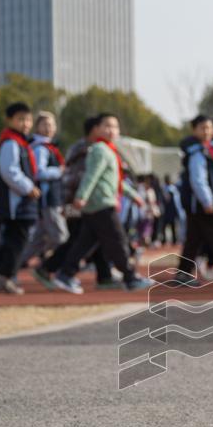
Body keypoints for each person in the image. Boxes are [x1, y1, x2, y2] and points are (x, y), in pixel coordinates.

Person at [51, 113, 153, 293]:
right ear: (97, 129)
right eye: (107, 126)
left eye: (115, 126)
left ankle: (65, 274)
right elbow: (91, 175)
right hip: (101, 204)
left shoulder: (109, 150)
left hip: (99, 204)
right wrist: (81, 196)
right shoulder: (100, 149)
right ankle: (130, 278)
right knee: (118, 240)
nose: (112, 130)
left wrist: (133, 195)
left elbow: (115, 181)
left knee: (85, 243)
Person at [0, 102, 41, 294]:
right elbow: (9, 171)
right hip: (16, 202)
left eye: (28, 120)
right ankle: (4, 276)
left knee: (14, 239)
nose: (26, 124)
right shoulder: (11, 142)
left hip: (22, 201)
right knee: (18, 241)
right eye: (21, 119)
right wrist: (28, 187)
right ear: (9, 120)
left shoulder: (21, 142)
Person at [173, 115, 213, 285]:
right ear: (194, 130)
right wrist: (207, 200)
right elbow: (198, 179)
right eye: (203, 127)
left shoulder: (208, 149)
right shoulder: (197, 151)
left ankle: (183, 274)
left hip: (199, 204)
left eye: (210, 127)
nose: (207, 131)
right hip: (201, 203)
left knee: (193, 239)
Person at [19, 111, 68, 269]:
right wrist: (59, 171)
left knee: (38, 239)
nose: (49, 128)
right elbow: (38, 172)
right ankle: (47, 266)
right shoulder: (41, 148)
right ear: (37, 127)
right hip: (48, 199)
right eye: (45, 124)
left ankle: (12, 264)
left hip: (52, 197)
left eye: (52, 125)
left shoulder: (49, 147)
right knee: (61, 237)